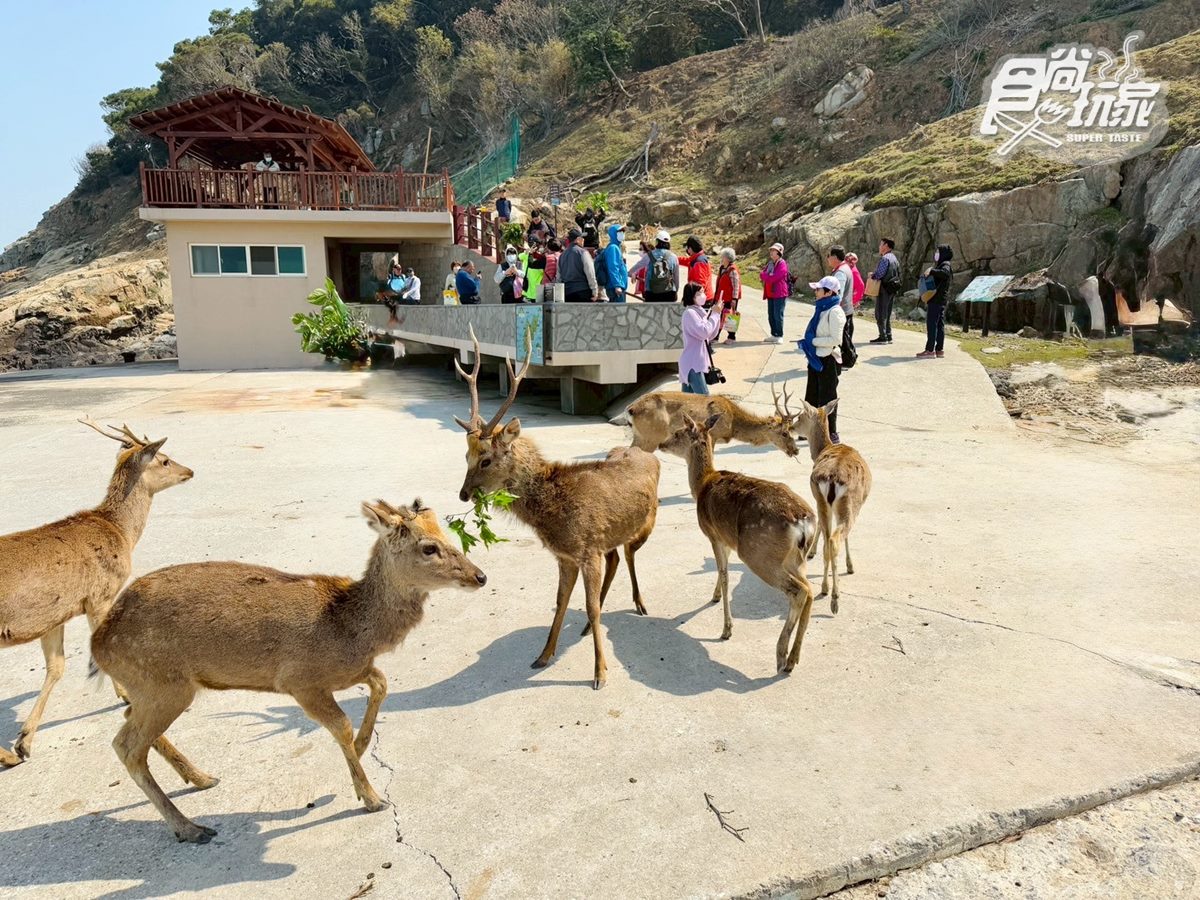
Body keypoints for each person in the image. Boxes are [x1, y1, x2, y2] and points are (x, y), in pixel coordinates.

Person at [799, 275, 847, 442]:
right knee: (811, 395)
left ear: (828, 292)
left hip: (828, 360)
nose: (816, 292)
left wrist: (813, 341)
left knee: (828, 398)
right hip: (815, 358)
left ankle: (831, 432)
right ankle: (808, 429)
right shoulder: (821, 309)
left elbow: (836, 339)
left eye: (818, 289)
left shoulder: (835, 312)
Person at [679, 282, 722, 395]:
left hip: (696, 363)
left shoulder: (699, 312)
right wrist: (715, 315)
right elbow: (704, 332)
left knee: (687, 401)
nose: (703, 295)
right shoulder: (690, 313)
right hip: (692, 364)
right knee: (704, 399)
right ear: (691, 296)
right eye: (699, 293)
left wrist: (716, 314)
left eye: (703, 292)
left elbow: (710, 335)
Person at [917, 244, 954, 359]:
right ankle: (939, 350)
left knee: (932, 324)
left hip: (936, 299)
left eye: (938, 251)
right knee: (939, 324)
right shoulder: (943, 264)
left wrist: (932, 271)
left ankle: (930, 350)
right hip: (940, 299)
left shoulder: (945, 264)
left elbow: (944, 274)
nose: (936, 254)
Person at [629, 230, 679, 303]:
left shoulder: (649, 255)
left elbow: (633, 270)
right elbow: (676, 278)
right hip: (670, 293)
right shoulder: (674, 257)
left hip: (651, 293)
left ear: (657, 242)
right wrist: (675, 290)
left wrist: (631, 273)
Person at [868, 238, 901, 345]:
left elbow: (880, 274)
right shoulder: (894, 258)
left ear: (886, 246)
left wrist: (872, 275)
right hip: (892, 288)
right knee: (887, 312)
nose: (879, 246)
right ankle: (888, 335)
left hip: (884, 289)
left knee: (880, 313)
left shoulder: (885, 258)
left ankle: (883, 337)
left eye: (881, 244)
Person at [759, 242, 790, 343]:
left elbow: (775, 277)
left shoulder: (782, 264)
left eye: (774, 250)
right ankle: (774, 334)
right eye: (771, 250)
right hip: (770, 294)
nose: (771, 252)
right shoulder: (770, 264)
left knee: (778, 315)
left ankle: (779, 335)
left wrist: (767, 276)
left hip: (779, 294)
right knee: (771, 315)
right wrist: (768, 276)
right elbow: (762, 274)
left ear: (779, 252)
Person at [557, 228, 598, 303]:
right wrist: (594, 291)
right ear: (577, 239)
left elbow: (558, 277)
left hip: (567, 293)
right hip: (583, 291)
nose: (583, 240)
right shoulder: (583, 253)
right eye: (582, 238)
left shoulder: (562, 255)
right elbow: (590, 273)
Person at [714, 247, 742, 342]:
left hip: (730, 299)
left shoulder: (732, 270)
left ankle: (731, 337)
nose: (721, 258)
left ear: (727, 258)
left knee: (730, 318)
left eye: (723, 256)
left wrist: (734, 299)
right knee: (719, 317)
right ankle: (715, 336)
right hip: (722, 297)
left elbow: (736, 285)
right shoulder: (722, 268)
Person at [827, 245, 856, 342]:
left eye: (829, 256)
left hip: (842, 314)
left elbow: (838, 296)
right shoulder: (844, 268)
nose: (827, 258)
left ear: (835, 257)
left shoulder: (840, 272)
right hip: (846, 312)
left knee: (844, 345)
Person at [598, 223, 629, 303]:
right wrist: (617, 285)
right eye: (620, 232)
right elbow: (613, 267)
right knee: (619, 310)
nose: (622, 233)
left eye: (623, 231)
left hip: (616, 286)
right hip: (616, 288)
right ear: (614, 234)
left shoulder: (615, 247)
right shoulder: (613, 248)